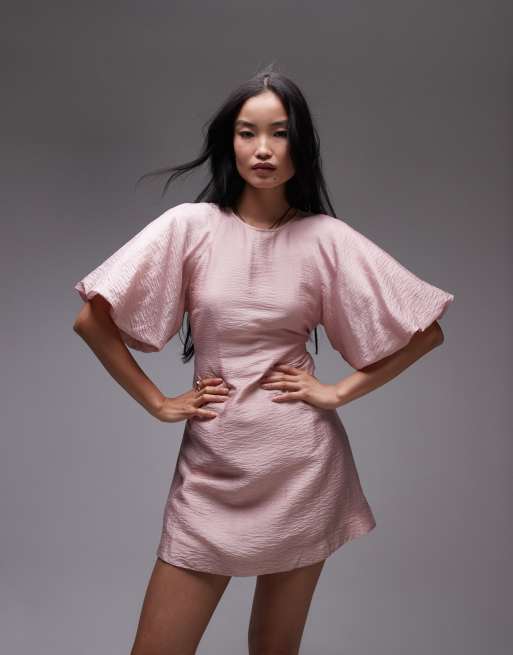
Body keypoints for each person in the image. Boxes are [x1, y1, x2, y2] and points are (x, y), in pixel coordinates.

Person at [72, 68, 455, 655]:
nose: (263, 149)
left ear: (300, 146)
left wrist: (338, 393)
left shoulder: (326, 238)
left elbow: (424, 332)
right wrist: (159, 403)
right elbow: (92, 320)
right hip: (213, 471)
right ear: (230, 143)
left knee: (274, 649)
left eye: (279, 133)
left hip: (302, 468)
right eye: (247, 133)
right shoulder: (189, 227)